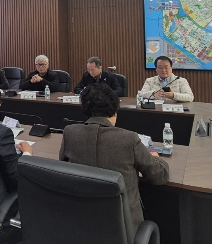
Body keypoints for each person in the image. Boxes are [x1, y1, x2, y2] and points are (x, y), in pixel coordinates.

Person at [59, 83, 169, 234]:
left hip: (81, 223)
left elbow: (63, 168)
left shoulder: (70, 132)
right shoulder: (129, 139)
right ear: (115, 111)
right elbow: (160, 176)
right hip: (124, 228)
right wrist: (156, 158)